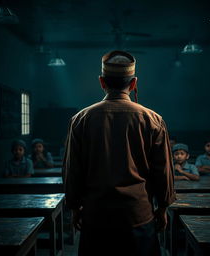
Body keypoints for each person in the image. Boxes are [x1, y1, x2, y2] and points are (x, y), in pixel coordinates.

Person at [63, 50, 175, 256]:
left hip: (96, 215)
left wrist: (74, 207)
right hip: (138, 215)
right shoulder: (153, 119)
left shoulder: (80, 119)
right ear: (133, 84)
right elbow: (163, 170)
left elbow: (73, 170)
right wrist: (163, 208)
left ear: (101, 82)